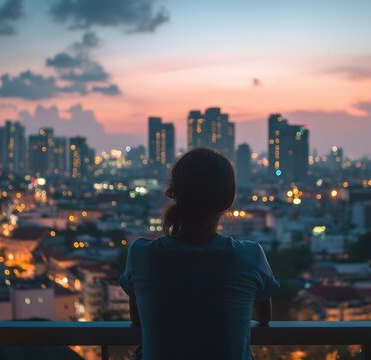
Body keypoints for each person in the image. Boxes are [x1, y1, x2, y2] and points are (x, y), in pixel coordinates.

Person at [120, 148, 280, 360]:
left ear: (174, 193)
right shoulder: (249, 255)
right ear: (228, 200)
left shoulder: (142, 255)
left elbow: (137, 317)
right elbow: (264, 317)